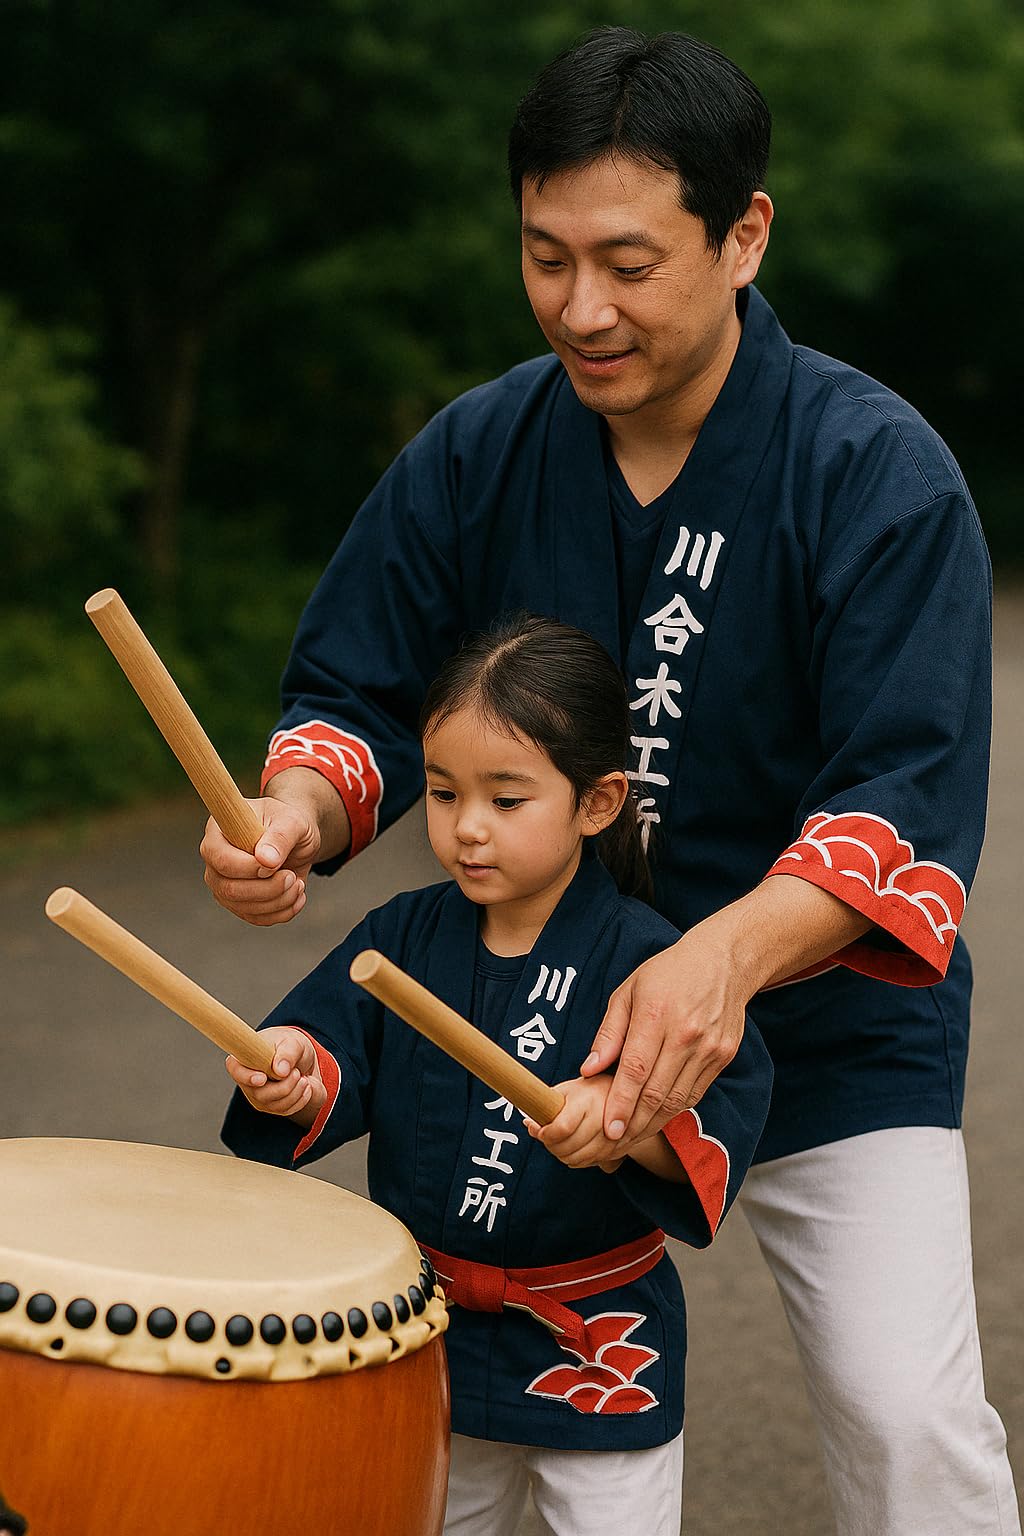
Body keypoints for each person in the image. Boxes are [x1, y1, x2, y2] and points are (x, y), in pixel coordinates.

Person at [202, 27, 1019, 1536]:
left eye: (629, 265)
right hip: (526, 1021)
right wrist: (293, 816)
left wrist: (723, 957)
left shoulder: (874, 472)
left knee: (908, 1419)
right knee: (443, 1421)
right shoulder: (478, 453)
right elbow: (355, 692)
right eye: (546, 257)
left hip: (820, 1027)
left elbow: (902, 791)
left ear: (744, 235)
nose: (582, 308)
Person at [221, 614, 773, 1536]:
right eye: (443, 793)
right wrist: (293, 1071)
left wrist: (625, 1121)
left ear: (597, 803)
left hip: (595, 1342)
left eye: (506, 801)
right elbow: (325, 1048)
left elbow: (713, 1113)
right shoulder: (403, 936)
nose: (467, 828)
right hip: (430, 1327)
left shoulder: (648, 961)